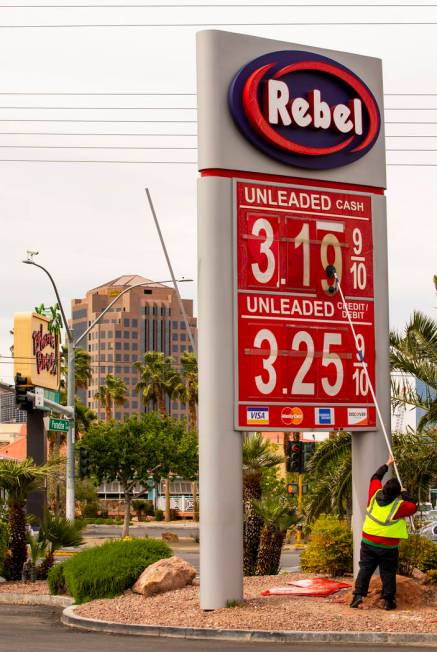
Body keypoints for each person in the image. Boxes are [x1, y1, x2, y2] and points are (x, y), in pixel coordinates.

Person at [350, 455, 417, 610]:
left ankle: (357, 596)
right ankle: (388, 601)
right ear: (396, 494)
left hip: (368, 542)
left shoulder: (374, 495)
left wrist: (387, 464)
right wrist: (405, 494)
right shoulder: (399, 506)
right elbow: (413, 506)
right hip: (388, 547)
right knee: (388, 572)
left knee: (365, 569)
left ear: (384, 488)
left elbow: (375, 476)